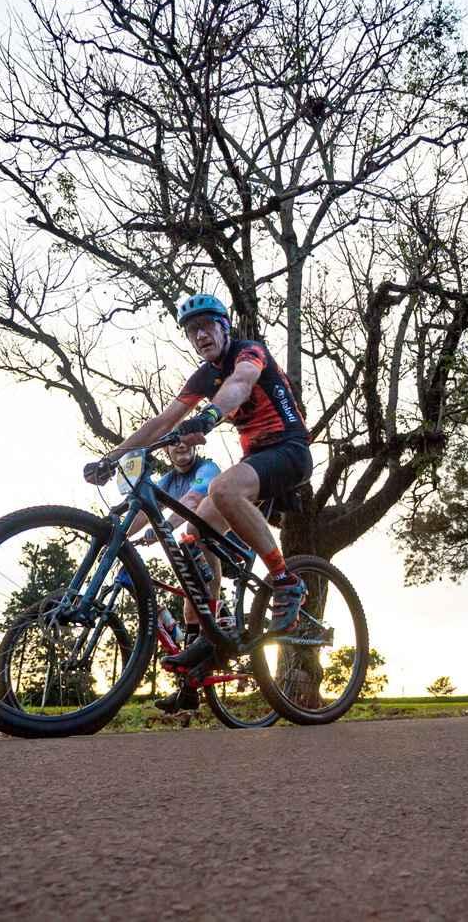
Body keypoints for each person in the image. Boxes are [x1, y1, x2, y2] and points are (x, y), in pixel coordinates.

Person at [82, 293, 313, 701]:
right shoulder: (203, 376)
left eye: (207, 326)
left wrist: (208, 417)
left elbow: (239, 387)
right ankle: (212, 631)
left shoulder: (248, 352)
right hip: (256, 457)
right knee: (194, 534)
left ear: (225, 328)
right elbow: (164, 420)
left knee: (222, 488)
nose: (200, 335)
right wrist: (112, 457)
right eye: (192, 331)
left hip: (290, 450)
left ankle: (285, 580)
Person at [120, 439, 221, 713]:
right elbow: (141, 512)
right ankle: (189, 691)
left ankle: (212, 647)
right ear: (166, 450)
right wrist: (116, 534)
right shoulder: (167, 480)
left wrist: (162, 527)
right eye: (174, 443)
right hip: (192, 548)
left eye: (186, 441)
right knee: (190, 612)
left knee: (193, 530)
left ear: (196, 444)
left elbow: (193, 499)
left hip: (219, 542)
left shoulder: (207, 468)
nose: (180, 446)